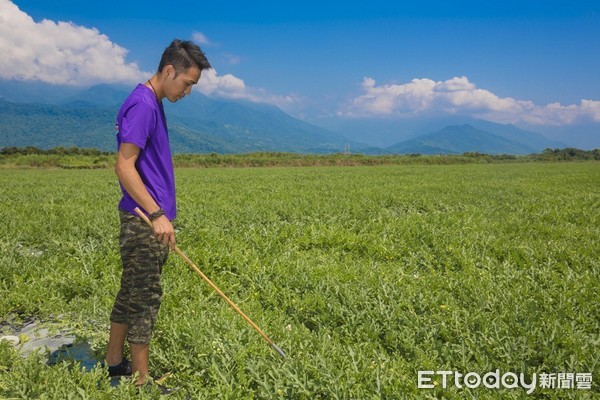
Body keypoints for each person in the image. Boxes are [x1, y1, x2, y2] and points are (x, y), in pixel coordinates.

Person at [104, 39, 211, 388]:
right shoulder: (144, 104)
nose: (188, 91)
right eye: (187, 83)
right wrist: (156, 214)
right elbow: (124, 166)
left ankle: (114, 362)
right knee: (145, 299)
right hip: (142, 221)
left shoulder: (151, 101)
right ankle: (141, 381)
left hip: (142, 218)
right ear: (169, 71)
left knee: (130, 292)